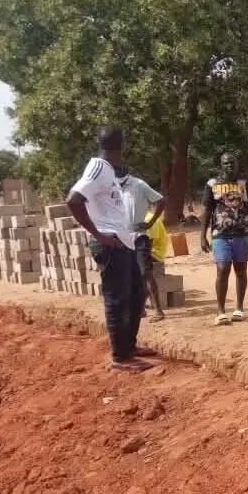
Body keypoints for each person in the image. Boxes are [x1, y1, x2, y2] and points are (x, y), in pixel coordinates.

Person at [66, 127, 154, 371]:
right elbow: (73, 200)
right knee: (117, 300)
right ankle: (119, 357)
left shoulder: (108, 171)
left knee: (136, 295)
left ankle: (129, 346)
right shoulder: (98, 168)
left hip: (124, 243)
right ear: (122, 145)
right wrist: (98, 235)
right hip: (111, 244)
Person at [200, 151, 248, 326]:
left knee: (241, 270)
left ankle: (239, 308)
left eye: (232, 162)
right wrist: (202, 236)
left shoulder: (245, 183)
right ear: (221, 165)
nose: (229, 166)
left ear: (237, 164)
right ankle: (220, 311)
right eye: (226, 163)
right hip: (220, 235)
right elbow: (206, 210)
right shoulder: (212, 184)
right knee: (222, 269)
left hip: (242, 234)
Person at [116, 169, 167, 322]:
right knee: (131, 275)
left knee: (146, 273)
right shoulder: (112, 187)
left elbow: (161, 201)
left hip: (140, 236)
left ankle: (158, 310)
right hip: (123, 238)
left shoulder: (138, 184)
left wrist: (150, 222)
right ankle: (139, 309)